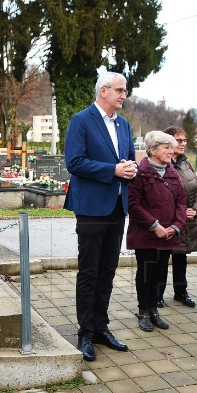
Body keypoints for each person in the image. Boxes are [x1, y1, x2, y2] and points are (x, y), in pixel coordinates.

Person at [64, 71, 137, 361]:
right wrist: (113, 171)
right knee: (90, 271)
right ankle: (85, 333)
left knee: (107, 271)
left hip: (118, 206)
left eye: (125, 90)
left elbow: (127, 156)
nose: (124, 95)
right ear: (103, 91)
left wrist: (129, 167)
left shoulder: (124, 124)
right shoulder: (81, 120)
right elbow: (75, 162)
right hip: (92, 207)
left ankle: (101, 327)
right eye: (120, 90)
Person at [127, 131, 186, 331]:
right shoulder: (140, 172)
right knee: (146, 273)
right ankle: (143, 310)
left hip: (168, 234)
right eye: (166, 147)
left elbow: (181, 202)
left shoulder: (173, 172)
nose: (171, 151)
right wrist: (155, 226)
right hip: (146, 234)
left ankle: (154, 310)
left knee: (160, 273)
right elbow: (133, 205)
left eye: (171, 147)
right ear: (152, 150)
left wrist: (176, 226)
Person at [158, 126, 197, 308]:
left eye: (185, 140)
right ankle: (157, 294)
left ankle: (181, 292)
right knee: (161, 259)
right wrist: (179, 211)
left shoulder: (186, 163)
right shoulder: (161, 164)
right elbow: (158, 194)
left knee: (181, 258)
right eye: (179, 140)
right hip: (168, 220)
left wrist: (196, 209)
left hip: (187, 221)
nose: (183, 143)